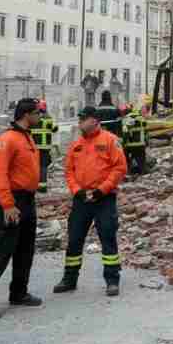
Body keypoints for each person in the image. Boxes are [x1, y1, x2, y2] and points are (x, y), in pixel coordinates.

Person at [0, 98, 45, 320]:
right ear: (27, 114)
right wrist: (7, 204)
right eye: (37, 113)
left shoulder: (26, 137)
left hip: (27, 199)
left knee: (25, 249)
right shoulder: (7, 139)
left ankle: (19, 292)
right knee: (2, 251)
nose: (40, 117)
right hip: (12, 201)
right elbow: (0, 174)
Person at [55, 106, 128, 297]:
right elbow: (69, 170)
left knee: (107, 238)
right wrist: (77, 190)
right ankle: (69, 279)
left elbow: (119, 168)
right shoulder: (76, 144)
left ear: (95, 120)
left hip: (104, 198)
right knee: (74, 239)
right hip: (81, 199)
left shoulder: (110, 140)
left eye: (83, 118)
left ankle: (112, 280)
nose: (80, 121)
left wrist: (102, 189)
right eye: (80, 118)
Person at [29, 100, 56, 193]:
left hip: (33, 146)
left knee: (34, 166)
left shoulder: (32, 117)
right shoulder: (48, 118)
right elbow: (55, 128)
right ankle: (43, 186)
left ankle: (34, 185)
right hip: (45, 147)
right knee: (43, 166)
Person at [121, 103, 149, 176]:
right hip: (141, 144)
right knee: (141, 162)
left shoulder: (126, 119)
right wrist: (146, 143)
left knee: (127, 159)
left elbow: (125, 133)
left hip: (130, 145)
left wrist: (123, 144)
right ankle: (144, 175)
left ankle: (128, 173)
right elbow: (146, 132)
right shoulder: (141, 118)